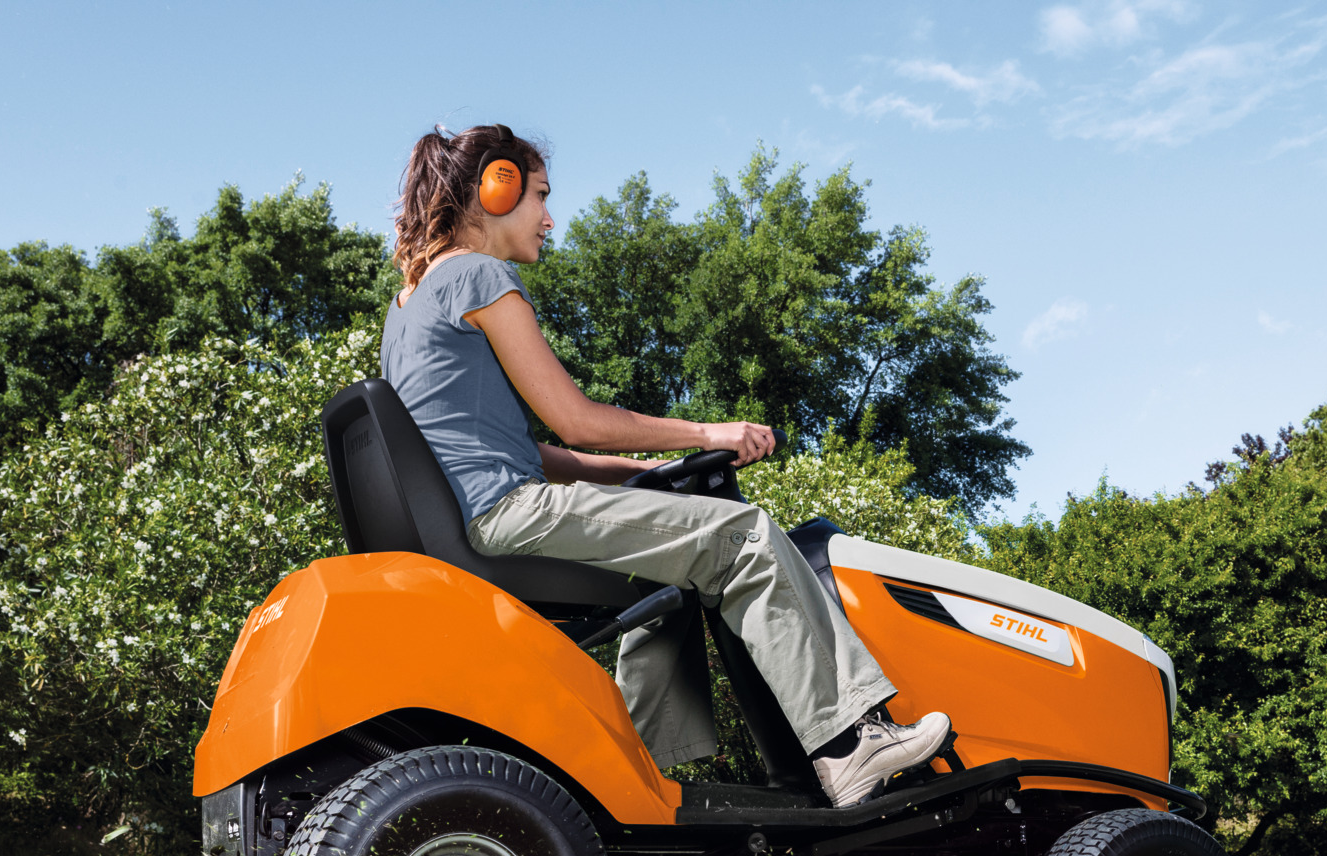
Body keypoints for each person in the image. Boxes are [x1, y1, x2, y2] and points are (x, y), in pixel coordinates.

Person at [380, 123, 948, 808]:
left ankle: (640, 777)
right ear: (494, 190)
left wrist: (640, 476)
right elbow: (576, 418)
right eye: (539, 196)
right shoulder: (478, 275)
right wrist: (709, 430)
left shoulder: (407, 307)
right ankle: (850, 747)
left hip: (478, 521)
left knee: (673, 578)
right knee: (745, 537)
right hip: (511, 515)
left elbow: (525, 449)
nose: (549, 217)